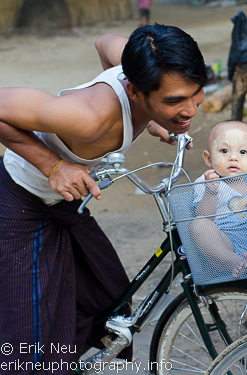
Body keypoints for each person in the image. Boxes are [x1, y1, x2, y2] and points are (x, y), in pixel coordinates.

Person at [0, 24, 206, 372]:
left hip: (62, 204)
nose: (191, 110)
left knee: (108, 300)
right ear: (135, 91)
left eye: (196, 94)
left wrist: (153, 118)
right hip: (19, 203)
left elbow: (105, 42)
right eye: (174, 101)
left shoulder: (143, 58)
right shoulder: (88, 118)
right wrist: (54, 167)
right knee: (30, 342)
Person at [190, 120, 247, 279]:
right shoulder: (206, 182)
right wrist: (211, 193)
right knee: (198, 224)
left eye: (242, 152)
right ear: (208, 158)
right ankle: (233, 262)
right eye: (224, 150)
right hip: (226, 242)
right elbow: (205, 216)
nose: (233, 158)